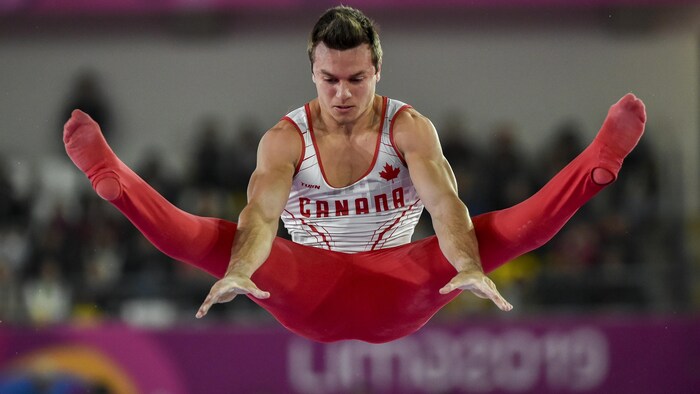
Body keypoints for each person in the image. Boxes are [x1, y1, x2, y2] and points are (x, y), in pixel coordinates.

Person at [62, 6, 646, 343]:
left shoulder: (410, 128)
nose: (342, 93)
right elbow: (261, 214)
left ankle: (594, 167)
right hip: (305, 290)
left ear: (378, 71)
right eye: (329, 79)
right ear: (312, 72)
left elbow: (446, 207)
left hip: (404, 284)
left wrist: (468, 266)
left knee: (495, 233)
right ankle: (114, 179)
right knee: (219, 240)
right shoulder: (285, 138)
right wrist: (240, 269)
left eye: (356, 79)